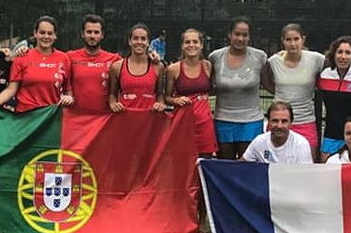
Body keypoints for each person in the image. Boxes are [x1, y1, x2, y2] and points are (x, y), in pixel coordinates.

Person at [0, 16, 73, 111]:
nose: (46, 36)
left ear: (55, 36)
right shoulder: (22, 57)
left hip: (51, 116)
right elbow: (11, 89)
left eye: (50, 33)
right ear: (35, 33)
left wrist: (69, 98)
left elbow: (68, 91)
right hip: (25, 116)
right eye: (42, 32)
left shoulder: (63, 58)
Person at [208, 17, 267, 159]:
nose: (240, 39)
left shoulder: (260, 57)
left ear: (249, 37)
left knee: (248, 167)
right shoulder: (215, 57)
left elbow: (269, 84)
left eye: (245, 35)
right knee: (224, 167)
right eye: (237, 34)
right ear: (230, 34)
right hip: (223, 122)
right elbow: (208, 87)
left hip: (251, 123)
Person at [263, 23, 325, 158]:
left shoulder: (316, 59)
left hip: (305, 120)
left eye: (296, 39)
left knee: (308, 163)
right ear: (282, 41)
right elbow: (265, 81)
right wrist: (280, 93)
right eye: (288, 40)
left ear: (303, 39)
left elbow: (334, 65)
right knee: (275, 163)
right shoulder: (273, 61)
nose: (292, 44)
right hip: (278, 121)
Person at [165, 28, 217, 156]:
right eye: (187, 42)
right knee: (181, 161)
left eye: (195, 42)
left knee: (204, 162)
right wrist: (176, 100)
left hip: (205, 125)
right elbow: (166, 98)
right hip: (182, 124)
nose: (191, 45)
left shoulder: (207, 66)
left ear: (201, 45)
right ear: (182, 46)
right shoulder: (173, 69)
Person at [317, 35, 351, 162]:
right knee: (327, 170)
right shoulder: (325, 75)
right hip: (331, 134)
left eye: (348, 53)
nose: (343, 57)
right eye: (340, 52)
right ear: (333, 54)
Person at [67, 14, 121, 114]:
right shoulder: (69, 57)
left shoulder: (115, 59)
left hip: (105, 119)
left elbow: (136, 68)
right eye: (89, 32)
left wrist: (150, 57)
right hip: (75, 118)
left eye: (96, 32)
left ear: (102, 35)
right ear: (82, 34)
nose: (92, 36)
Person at [109, 23, 166, 112]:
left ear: (148, 42)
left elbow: (160, 95)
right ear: (129, 41)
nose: (139, 42)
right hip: (124, 117)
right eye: (135, 38)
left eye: (143, 39)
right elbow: (112, 94)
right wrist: (113, 103)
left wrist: (160, 104)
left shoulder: (158, 67)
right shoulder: (117, 67)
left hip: (150, 118)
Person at [241, 101, 313, 164]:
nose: (279, 126)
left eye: (284, 121)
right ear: (268, 122)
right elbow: (241, 166)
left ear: (291, 123)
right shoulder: (259, 141)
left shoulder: (301, 144)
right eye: (275, 121)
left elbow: (305, 173)